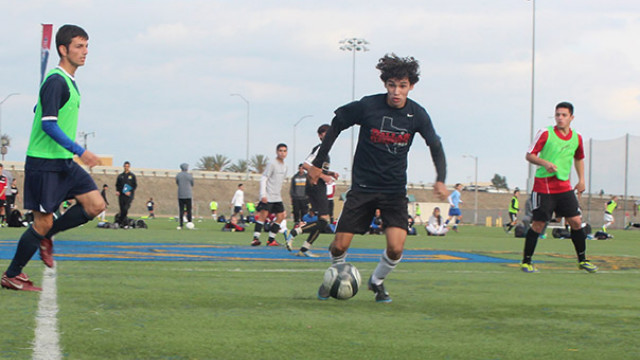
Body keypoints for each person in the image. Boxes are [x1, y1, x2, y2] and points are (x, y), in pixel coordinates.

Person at [307, 54, 448, 302]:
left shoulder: (417, 114)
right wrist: (319, 163)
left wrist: (440, 178)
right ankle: (335, 274)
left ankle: (377, 281)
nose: (396, 91)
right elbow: (337, 124)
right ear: (385, 84)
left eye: (402, 86)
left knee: (396, 248)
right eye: (392, 85)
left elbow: (435, 145)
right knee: (339, 246)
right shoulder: (368, 106)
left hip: (394, 191)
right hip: (362, 188)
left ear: (411, 86)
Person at [1, 25, 105, 291]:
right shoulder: (56, 81)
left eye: (87, 46)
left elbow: (40, 111)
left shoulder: (68, 82)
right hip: (44, 162)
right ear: (63, 49)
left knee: (95, 205)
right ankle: (12, 274)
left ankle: (49, 237)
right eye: (79, 46)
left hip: (63, 162)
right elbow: (48, 124)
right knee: (42, 222)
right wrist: (81, 150)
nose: (85, 52)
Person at [521, 101, 597, 273]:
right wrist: (544, 163)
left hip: (564, 187)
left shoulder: (577, 137)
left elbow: (579, 158)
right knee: (539, 224)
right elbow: (529, 155)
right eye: (557, 115)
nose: (560, 118)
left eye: (564, 115)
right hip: (544, 187)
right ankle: (526, 261)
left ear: (572, 117)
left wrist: (582, 179)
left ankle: (582, 260)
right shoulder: (545, 133)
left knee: (576, 222)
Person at [285, 124, 338, 257]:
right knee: (324, 220)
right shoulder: (320, 148)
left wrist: (330, 173)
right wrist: (324, 177)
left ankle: (304, 248)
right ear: (320, 135)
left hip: (318, 185)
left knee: (322, 221)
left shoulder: (325, 151)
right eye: (326, 133)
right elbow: (306, 165)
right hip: (315, 186)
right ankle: (295, 232)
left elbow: (318, 168)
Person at [251, 143, 288, 246]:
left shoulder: (285, 166)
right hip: (268, 195)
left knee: (281, 216)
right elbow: (264, 178)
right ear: (277, 152)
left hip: (277, 196)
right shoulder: (272, 163)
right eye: (280, 151)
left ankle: (271, 239)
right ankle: (255, 239)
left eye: (284, 151)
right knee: (263, 215)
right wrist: (263, 194)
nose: (282, 153)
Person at [115, 161, 137, 228]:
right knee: (122, 209)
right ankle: (123, 223)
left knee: (125, 208)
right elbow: (117, 185)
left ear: (129, 167)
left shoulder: (132, 176)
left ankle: (123, 222)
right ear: (123, 167)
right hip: (121, 195)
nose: (126, 167)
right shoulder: (120, 176)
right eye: (125, 166)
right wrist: (117, 191)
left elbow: (134, 185)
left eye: (127, 166)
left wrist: (130, 191)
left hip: (129, 195)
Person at [176, 163, 194, 229]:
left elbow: (177, 182)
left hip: (180, 194)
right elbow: (192, 183)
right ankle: (190, 223)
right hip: (188, 195)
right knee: (189, 210)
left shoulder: (178, 175)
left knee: (181, 210)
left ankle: (181, 224)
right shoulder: (189, 175)